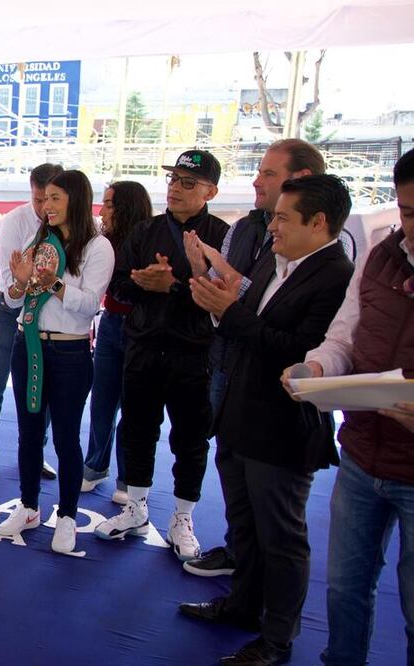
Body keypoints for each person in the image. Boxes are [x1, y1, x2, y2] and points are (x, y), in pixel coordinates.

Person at [178, 174, 354, 666]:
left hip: (281, 429)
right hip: (240, 416)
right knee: (245, 529)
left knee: (280, 538)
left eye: (281, 217)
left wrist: (230, 312)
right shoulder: (278, 261)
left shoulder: (335, 275)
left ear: (318, 222)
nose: (270, 225)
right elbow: (248, 320)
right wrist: (218, 290)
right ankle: (241, 607)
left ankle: (277, 638)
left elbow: (301, 353)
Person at [281, 148, 414, 666]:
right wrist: (315, 370)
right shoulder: (379, 257)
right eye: (406, 211)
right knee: (343, 590)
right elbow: (343, 338)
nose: (411, 226)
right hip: (361, 455)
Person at [184, 138, 326, 578]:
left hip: (278, 390)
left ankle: (268, 607)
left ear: (299, 180)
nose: (256, 181)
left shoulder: (326, 256)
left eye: (267, 172)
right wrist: (205, 276)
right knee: (234, 479)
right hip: (229, 365)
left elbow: (267, 308)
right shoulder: (246, 229)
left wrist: (226, 291)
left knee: (276, 511)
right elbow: (237, 296)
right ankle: (239, 562)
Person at [96, 149, 229, 562]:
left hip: (194, 352)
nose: (176, 188)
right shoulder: (143, 232)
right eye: (173, 179)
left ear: (211, 191)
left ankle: (183, 516)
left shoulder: (224, 237)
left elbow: (227, 299)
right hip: (143, 347)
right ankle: (135, 507)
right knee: (137, 428)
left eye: (188, 183)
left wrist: (172, 285)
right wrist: (142, 284)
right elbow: (116, 288)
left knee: (190, 438)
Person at [0, 170, 114, 553]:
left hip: (70, 353)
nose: (46, 206)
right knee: (29, 433)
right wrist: (19, 281)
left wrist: (55, 283)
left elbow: (89, 305)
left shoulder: (98, 248)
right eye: (44, 199)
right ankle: (29, 506)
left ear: (75, 201)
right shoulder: (38, 241)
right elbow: (13, 301)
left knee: (65, 437)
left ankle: (66, 516)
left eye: (55, 199)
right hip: (26, 346)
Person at [0, 163, 63, 485]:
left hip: (51, 314)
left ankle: (35, 451)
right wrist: (25, 285)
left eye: (50, 199)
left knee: (42, 387)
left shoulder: (73, 224)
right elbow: (8, 283)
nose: (44, 207)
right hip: (11, 310)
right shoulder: (14, 222)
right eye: (37, 199)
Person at [81, 181, 152, 503]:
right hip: (110, 323)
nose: (103, 210)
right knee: (102, 401)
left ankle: (128, 478)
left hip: (142, 329)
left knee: (135, 407)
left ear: (126, 207)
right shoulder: (100, 240)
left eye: (109, 204)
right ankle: (95, 466)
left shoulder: (150, 237)